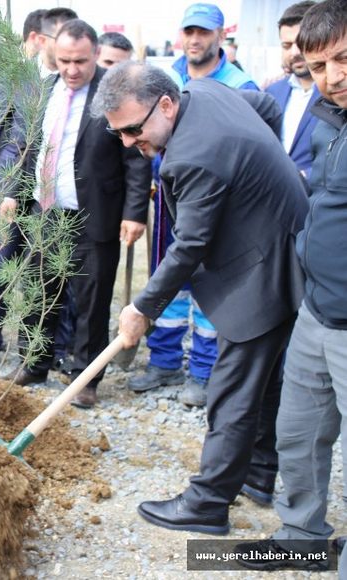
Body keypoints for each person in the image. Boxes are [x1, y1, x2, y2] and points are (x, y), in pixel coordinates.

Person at [98, 61, 307, 535]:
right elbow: (267, 107)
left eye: (133, 129)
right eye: (120, 135)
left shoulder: (194, 154)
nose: (130, 143)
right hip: (282, 243)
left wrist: (141, 309)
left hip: (263, 270)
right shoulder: (206, 91)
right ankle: (257, 473)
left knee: (232, 388)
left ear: (165, 104)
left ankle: (208, 503)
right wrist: (261, 176)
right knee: (265, 377)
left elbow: (188, 246)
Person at [233, 0, 347, 571]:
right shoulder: (329, 122)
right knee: (298, 433)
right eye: (321, 65)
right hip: (317, 311)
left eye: (344, 60)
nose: (334, 76)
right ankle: (302, 538)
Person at [0, 20, 150, 411]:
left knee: (91, 300)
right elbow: (24, 146)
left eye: (80, 61)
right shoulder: (43, 90)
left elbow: (135, 159)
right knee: (37, 292)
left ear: (94, 53)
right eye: (64, 60)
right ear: (53, 52)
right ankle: (34, 364)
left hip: (94, 214)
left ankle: (85, 378)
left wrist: (135, 213)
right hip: (43, 212)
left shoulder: (114, 92)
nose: (71, 69)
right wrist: (13, 193)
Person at [127, 2, 258, 408]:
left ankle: (203, 370)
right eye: (189, 32)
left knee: (205, 283)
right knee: (169, 279)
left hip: (215, 202)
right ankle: (164, 360)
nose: (195, 40)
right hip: (168, 200)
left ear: (220, 36)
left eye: (203, 32)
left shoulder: (239, 84)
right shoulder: (167, 79)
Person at [0, 7, 80, 370]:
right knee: (1, 268)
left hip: (54, 198)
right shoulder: (14, 77)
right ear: (41, 39)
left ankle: (51, 349)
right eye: (60, 38)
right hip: (9, 190)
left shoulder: (72, 86)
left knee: (53, 275)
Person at [266, 0, 319, 178]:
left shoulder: (338, 94)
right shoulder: (271, 92)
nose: (294, 52)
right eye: (286, 46)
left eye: (301, 42)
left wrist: (304, 177)